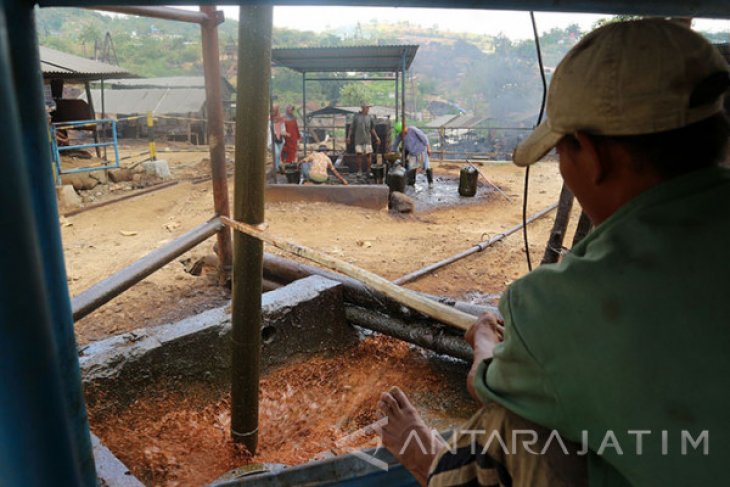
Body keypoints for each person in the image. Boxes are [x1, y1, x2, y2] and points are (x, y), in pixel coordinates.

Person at [376, 19, 730, 486]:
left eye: (561, 153)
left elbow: (484, 385)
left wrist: (484, 339)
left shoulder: (563, 301)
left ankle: (431, 464)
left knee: (507, 424)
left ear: (591, 153)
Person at [392, 121, 434, 188]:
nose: (402, 134)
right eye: (400, 133)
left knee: (426, 165)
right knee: (412, 167)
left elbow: (424, 138)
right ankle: (411, 183)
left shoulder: (413, 130)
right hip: (412, 152)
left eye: (402, 132)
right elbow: (396, 143)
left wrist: (428, 148)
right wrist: (392, 150)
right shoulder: (401, 135)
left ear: (404, 128)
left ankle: (430, 182)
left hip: (421, 150)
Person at [347, 101, 381, 176]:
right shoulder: (356, 117)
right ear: (362, 108)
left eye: (368, 108)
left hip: (367, 139)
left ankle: (368, 170)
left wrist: (377, 137)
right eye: (367, 107)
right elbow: (351, 128)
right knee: (359, 155)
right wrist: (349, 137)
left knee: (368, 154)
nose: (368, 109)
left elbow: (372, 129)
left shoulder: (370, 117)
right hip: (358, 139)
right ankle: (359, 170)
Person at [269, 104, 285, 175]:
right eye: (273, 110)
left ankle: (277, 168)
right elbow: (268, 130)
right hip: (272, 139)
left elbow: (283, 128)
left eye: (276, 110)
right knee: (277, 153)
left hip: (280, 139)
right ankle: (275, 168)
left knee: (279, 154)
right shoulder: (269, 119)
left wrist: (282, 132)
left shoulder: (280, 119)